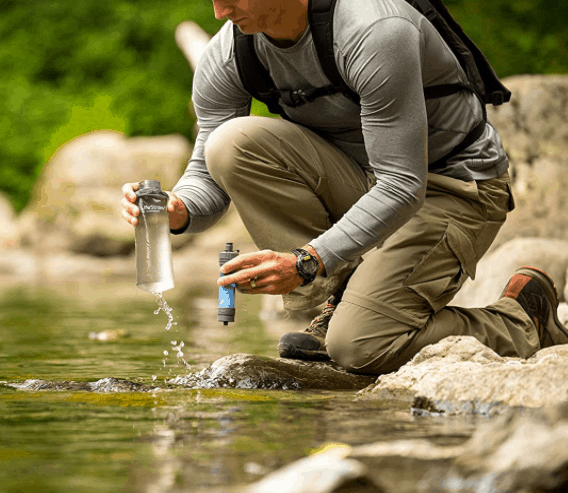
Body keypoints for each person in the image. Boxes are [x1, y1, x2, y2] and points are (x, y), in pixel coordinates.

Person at [119, 0, 568, 375]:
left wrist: (307, 260)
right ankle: (338, 301)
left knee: (359, 348)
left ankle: (522, 320)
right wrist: (177, 208)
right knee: (230, 143)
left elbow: (403, 185)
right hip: (364, 183)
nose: (219, 11)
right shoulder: (229, 56)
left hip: (452, 186)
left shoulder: (373, 30)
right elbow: (207, 174)